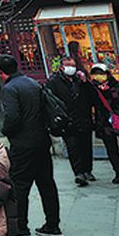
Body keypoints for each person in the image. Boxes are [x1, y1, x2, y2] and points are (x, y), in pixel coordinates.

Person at [0, 55, 61, 236]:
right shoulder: (33, 83)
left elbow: (13, 117)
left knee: (19, 187)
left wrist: (6, 131)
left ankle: (21, 229)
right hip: (42, 141)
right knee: (47, 184)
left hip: (23, 144)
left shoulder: (10, 88)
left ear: (0, 72)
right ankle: (53, 226)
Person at [46, 56, 94, 185]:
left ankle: (88, 170)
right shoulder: (54, 81)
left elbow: (91, 96)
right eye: (68, 65)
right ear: (62, 67)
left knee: (86, 146)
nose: (71, 68)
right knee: (73, 148)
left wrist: (85, 82)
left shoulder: (80, 80)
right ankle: (79, 173)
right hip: (67, 120)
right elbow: (51, 100)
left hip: (84, 117)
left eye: (73, 65)